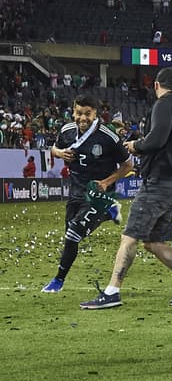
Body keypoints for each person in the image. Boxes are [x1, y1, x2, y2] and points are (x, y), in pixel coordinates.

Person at [80, 68, 172, 310]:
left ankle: (112, 292)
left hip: (158, 183)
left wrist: (135, 145)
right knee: (154, 242)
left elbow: (157, 140)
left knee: (129, 238)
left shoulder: (163, 104)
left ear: (157, 85)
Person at [41, 95, 130, 293]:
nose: (82, 118)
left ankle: (58, 280)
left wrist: (107, 182)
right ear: (73, 112)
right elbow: (54, 148)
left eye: (87, 114)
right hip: (76, 193)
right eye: (79, 113)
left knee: (73, 234)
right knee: (71, 237)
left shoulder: (109, 136)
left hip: (96, 195)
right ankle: (110, 212)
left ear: (95, 114)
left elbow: (128, 165)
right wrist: (60, 153)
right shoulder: (66, 131)